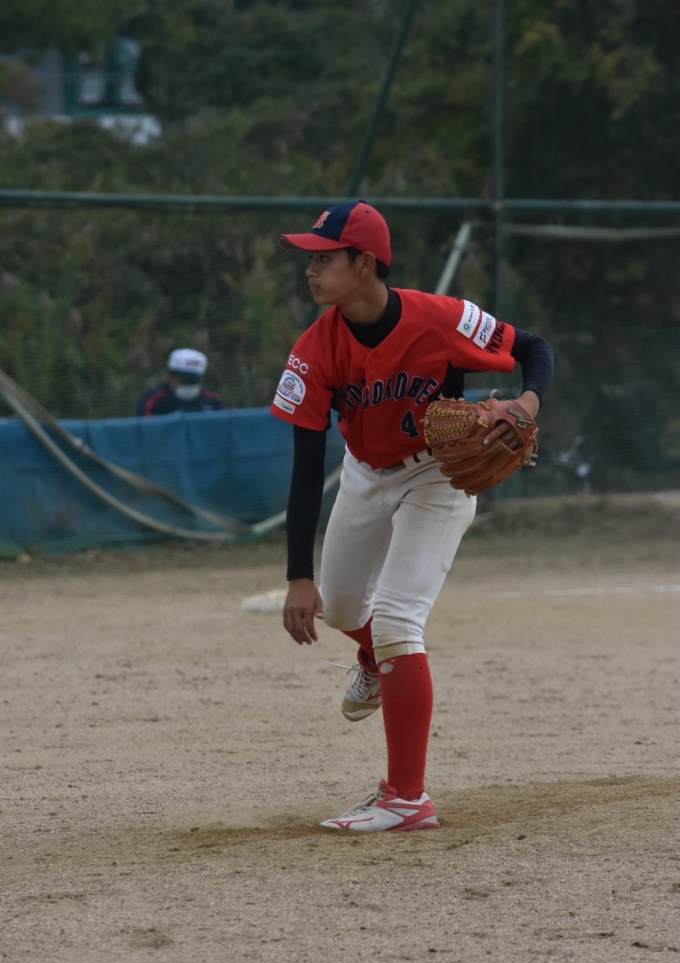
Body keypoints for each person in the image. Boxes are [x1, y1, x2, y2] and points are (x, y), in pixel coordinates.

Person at [270, 200, 554, 833]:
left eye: (324, 258)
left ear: (364, 262)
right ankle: (376, 662)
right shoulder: (314, 349)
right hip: (365, 472)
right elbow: (305, 466)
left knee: (399, 619)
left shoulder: (439, 319)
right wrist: (297, 576)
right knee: (344, 608)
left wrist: (528, 403)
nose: (310, 270)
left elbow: (533, 348)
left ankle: (406, 798)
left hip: (438, 473)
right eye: (310, 259)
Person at [136, 348, 224, 416]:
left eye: (194, 380)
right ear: (170, 376)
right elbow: (146, 430)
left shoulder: (212, 399)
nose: (189, 385)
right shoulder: (154, 400)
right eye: (185, 380)